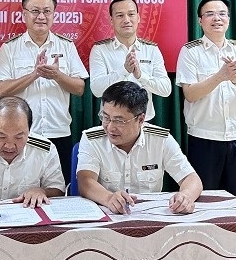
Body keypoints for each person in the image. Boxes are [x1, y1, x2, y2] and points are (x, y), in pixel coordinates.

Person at [0, 0, 88, 182]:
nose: (41, 17)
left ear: (54, 14)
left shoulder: (66, 46)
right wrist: (34, 74)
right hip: (23, 136)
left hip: (59, 132)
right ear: (24, 14)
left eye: (47, 11)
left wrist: (57, 75)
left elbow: (79, 88)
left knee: (59, 191)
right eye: (35, 11)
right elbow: (0, 91)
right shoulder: (9, 48)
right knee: (22, 189)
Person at [175, 0, 236, 202]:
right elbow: (190, 94)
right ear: (200, 20)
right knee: (205, 200)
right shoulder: (190, 51)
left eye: (222, 14)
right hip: (204, 139)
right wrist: (220, 76)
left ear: (228, 19)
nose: (217, 18)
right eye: (210, 14)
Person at [77, 81, 203, 214]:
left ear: (141, 119)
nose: (110, 127)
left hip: (150, 216)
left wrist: (186, 196)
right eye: (106, 117)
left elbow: (191, 178)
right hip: (107, 214)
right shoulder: (92, 139)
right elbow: (85, 182)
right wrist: (109, 198)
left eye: (119, 121)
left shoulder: (160, 139)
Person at [89, 0, 171, 121]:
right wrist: (124, 71)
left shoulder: (151, 50)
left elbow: (166, 89)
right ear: (111, 20)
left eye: (131, 14)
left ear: (138, 18)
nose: (126, 20)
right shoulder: (100, 50)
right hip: (111, 123)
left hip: (143, 122)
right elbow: (97, 90)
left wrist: (140, 76)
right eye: (120, 15)